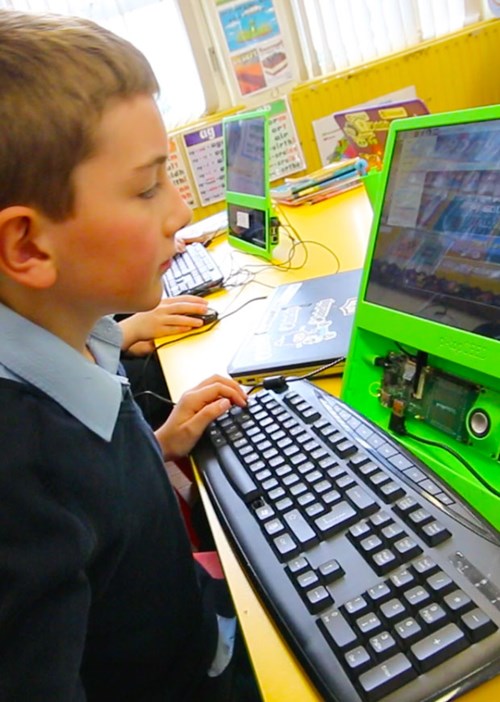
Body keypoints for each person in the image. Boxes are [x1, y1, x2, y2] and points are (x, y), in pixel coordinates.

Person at [0, 9, 256, 701]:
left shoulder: (68, 336)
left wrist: (161, 445)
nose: (178, 212)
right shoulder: (22, 475)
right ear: (27, 247)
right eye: (148, 188)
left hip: (193, 620)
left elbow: (99, 508)